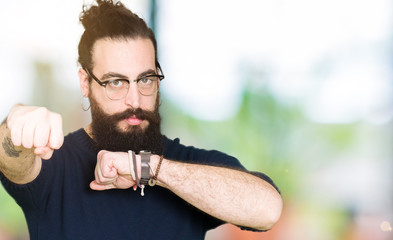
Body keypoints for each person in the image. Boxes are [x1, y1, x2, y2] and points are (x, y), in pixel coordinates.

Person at [0, 1, 282, 239]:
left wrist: (149, 169)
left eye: (145, 79)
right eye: (116, 82)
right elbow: (11, 159)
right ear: (85, 83)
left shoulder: (184, 166)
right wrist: (15, 128)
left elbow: (267, 211)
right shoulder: (55, 164)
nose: (135, 100)